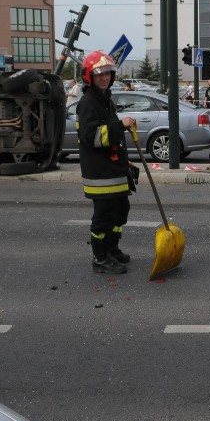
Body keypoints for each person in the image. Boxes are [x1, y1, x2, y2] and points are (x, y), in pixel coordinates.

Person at [76, 50, 137, 275]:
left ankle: (112, 249)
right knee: (104, 216)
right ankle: (100, 257)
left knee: (120, 211)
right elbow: (91, 136)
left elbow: (112, 137)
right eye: (99, 74)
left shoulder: (105, 99)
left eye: (108, 74)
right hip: (100, 174)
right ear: (89, 77)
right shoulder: (88, 103)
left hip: (115, 169)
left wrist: (125, 160)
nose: (104, 78)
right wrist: (119, 126)